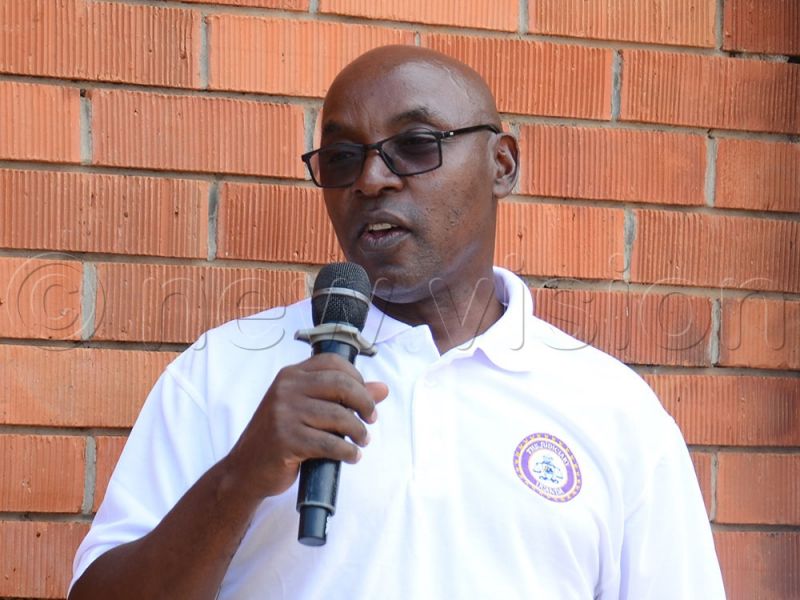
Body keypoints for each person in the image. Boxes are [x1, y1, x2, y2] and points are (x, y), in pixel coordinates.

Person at [69, 45, 725, 599]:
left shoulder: (612, 411)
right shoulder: (224, 371)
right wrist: (239, 478)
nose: (371, 179)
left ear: (501, 165)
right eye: (342, 157)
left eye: (415, 145)